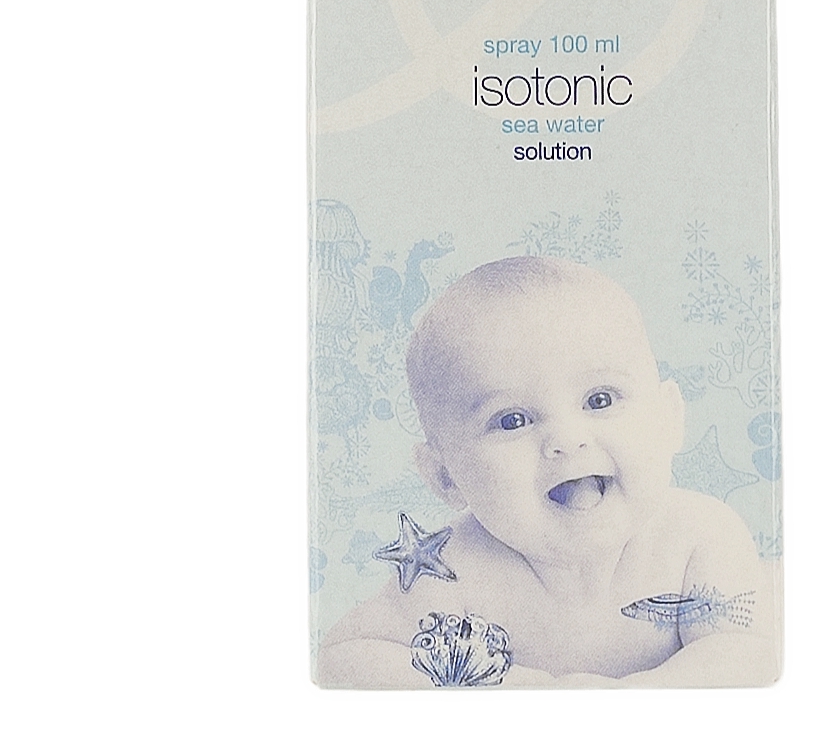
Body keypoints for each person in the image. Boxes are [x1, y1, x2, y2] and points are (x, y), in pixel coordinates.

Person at [317, 255, 777, 688]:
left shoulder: (698, 537)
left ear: (669, 419)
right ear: (445, 476)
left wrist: (627, 703)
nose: (566, 439)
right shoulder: (454, 572)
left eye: (600, 399)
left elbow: (743, 653)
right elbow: (343, 658)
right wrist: (521, 691)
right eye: (512, 420)